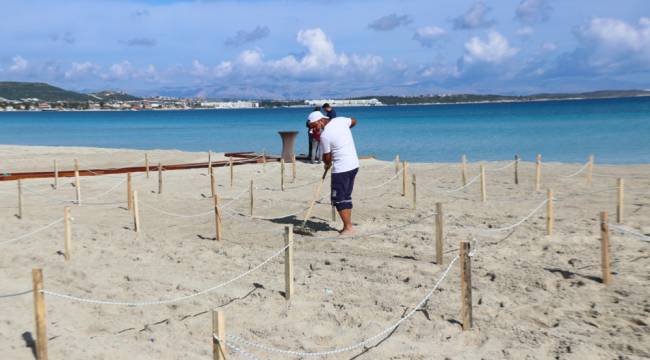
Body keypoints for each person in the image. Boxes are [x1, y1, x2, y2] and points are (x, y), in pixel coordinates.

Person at [308, 112, 359, 235]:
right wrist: (344, 131)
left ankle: (348, 227)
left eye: (314, 126)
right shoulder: (341, 120)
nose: (313, 129)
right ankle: (348, 225)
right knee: (346, 196)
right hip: (354, 165)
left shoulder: (325, 135)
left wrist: (327, 164)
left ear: (320, 121)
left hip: (341, 169)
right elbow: (354, 120)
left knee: (338, 198)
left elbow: (326, 156)